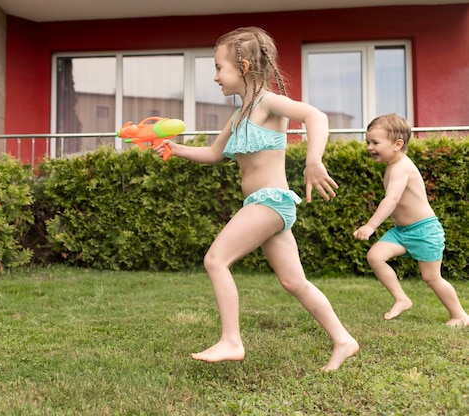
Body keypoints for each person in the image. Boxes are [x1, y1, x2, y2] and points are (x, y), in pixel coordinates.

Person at [155, 26, 359, 371]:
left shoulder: (268, 103)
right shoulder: (239, 116)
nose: (216, 76)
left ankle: (231, 340)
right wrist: (175, 149)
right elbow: (214, 153)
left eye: (220, 67)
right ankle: (344, 340)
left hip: (271, 201)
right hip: (261, 205)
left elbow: (316, 116)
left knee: (216, 260)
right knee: (293, 281)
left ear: (245, 67)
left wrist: (314, 160)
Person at [353, 114, 469, 327]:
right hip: (402, 232)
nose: (370, 147)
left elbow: (392, 199)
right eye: (368, 141)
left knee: (431, 277)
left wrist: (371, 225)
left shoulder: (401, 167)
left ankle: (460, 315)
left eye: (375, 143)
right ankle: (401, 298)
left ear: (398, 144)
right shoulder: (392, 165)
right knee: (375, 256)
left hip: (424, 231)